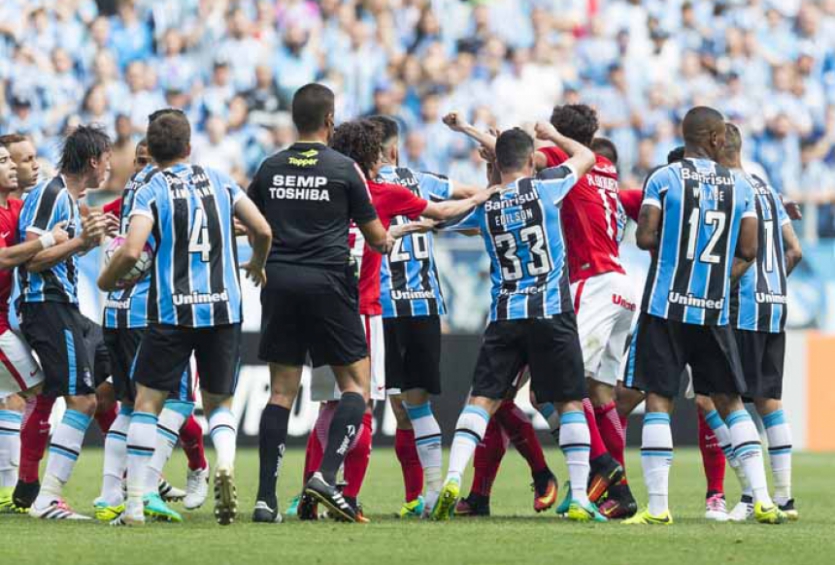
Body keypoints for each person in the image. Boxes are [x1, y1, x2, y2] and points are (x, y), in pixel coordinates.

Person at [296, 119, 497, 522]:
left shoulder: (339, 186)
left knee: (347, 403)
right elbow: (461, 199)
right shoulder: (418, 180)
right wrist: (490, 188)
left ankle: (328, 490)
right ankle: (430, 491)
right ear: (391, 150)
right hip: (420, 304)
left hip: (372, 306)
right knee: (414, 405)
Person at [445, 105, 634, 517]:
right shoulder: (607, 172)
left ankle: (598, 474)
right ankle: (609, 487)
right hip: (620, 287)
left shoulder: (555, 168)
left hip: (581, 286)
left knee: (540, 395)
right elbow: (514, 158)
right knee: (595, 394)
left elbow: (514, 158)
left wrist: (475, 135)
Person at [97, 111, 272, 527]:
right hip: (224, 308)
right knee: (218, 403)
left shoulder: (151, 187)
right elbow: (263, 229)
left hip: (172, 312)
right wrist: (256, 264)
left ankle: (135, 504)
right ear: (189, 147)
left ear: (151, 153)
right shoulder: (220, 179)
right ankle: (224, 462)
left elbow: (130, 249)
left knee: (147, 402)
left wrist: (107, 281)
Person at [623, 106, 786, 525]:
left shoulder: (663, 177)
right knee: (730, 401)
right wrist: (713, 279)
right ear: (716, 139)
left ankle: (658, 506)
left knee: (659, 398)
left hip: (665, 304)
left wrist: (680, 251)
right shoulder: (740, 186)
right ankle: (764, 499)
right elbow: (748, 251)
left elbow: (643, 238)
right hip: (713, 306)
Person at [247, 83, 391, 524]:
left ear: (295, 119)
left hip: (280, 282)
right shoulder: (345, 168)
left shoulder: (270, 167)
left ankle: (266, 500)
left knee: (282, 393)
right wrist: (389, 239)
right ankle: (326, 477)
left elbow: (251, 222)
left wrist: (259, 259)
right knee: (356, 388)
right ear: (330, 120)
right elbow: (375, 238)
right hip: (329, 284)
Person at [94, 122, 210, 525]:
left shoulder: (135, 192)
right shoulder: (161, 191)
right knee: (175, 402)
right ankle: (145, 489)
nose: (144, 165)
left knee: (133, 406)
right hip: (154, 314)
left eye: (147, 158)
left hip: (119, 311)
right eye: (139, 160)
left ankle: (114, 492)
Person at [16, 125, 109, 519]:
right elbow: (30, 258)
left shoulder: (71, 200)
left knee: (110, 380)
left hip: (67, 307)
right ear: (93, 161)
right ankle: (47, 497)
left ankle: (127, 481)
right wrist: (81, 244)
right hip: (47, 306)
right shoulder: (50, 195)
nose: (109, 167)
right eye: (106, 159)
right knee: (82, 399)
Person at [722, 122, 803, 522]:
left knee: (722, 398)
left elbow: (745, 253)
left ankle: (751, 495)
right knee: (769, 401)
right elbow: (796, 250)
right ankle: (785, 497)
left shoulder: (731, 189)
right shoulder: (768, 189)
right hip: (775, 302)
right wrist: (776, 284)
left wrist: (723, 286)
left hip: (744, 306)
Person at [0, 142, 70, 513]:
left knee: (19, 395)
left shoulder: (15, 208)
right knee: (40, 390)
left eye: (16, 160)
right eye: (5, 161)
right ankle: (24, 487)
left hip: (6, 319)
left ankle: (13, 488)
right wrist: (46, 240)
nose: (13, 167)